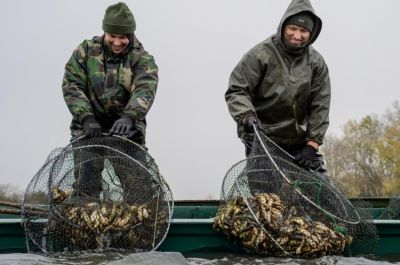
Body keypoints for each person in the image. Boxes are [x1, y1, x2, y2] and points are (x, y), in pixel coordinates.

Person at [225, 0, 330, 180]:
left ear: (311, 34)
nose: (297, 35)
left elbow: (320, 106)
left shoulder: (317, 63)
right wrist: (246, 116)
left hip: (298, 142)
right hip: (261, 138)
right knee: (266, 198)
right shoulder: (260, 54)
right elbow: (237, 90)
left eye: (304, 31)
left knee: (321, 188)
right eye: (293, 28)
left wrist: (311, 145)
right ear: (283, 26)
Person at [62, 2, 158, 200]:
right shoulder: (85, 51)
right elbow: (72, 85)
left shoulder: (142, 59)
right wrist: (86, 118)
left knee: (140, 193)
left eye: (122, 37)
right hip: (88, 131)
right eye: (112, 36)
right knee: (85, 191)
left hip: (126, 132)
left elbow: (144, 90)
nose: (116, 42)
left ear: (130, 35)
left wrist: (129, 118)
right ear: (105, 32)